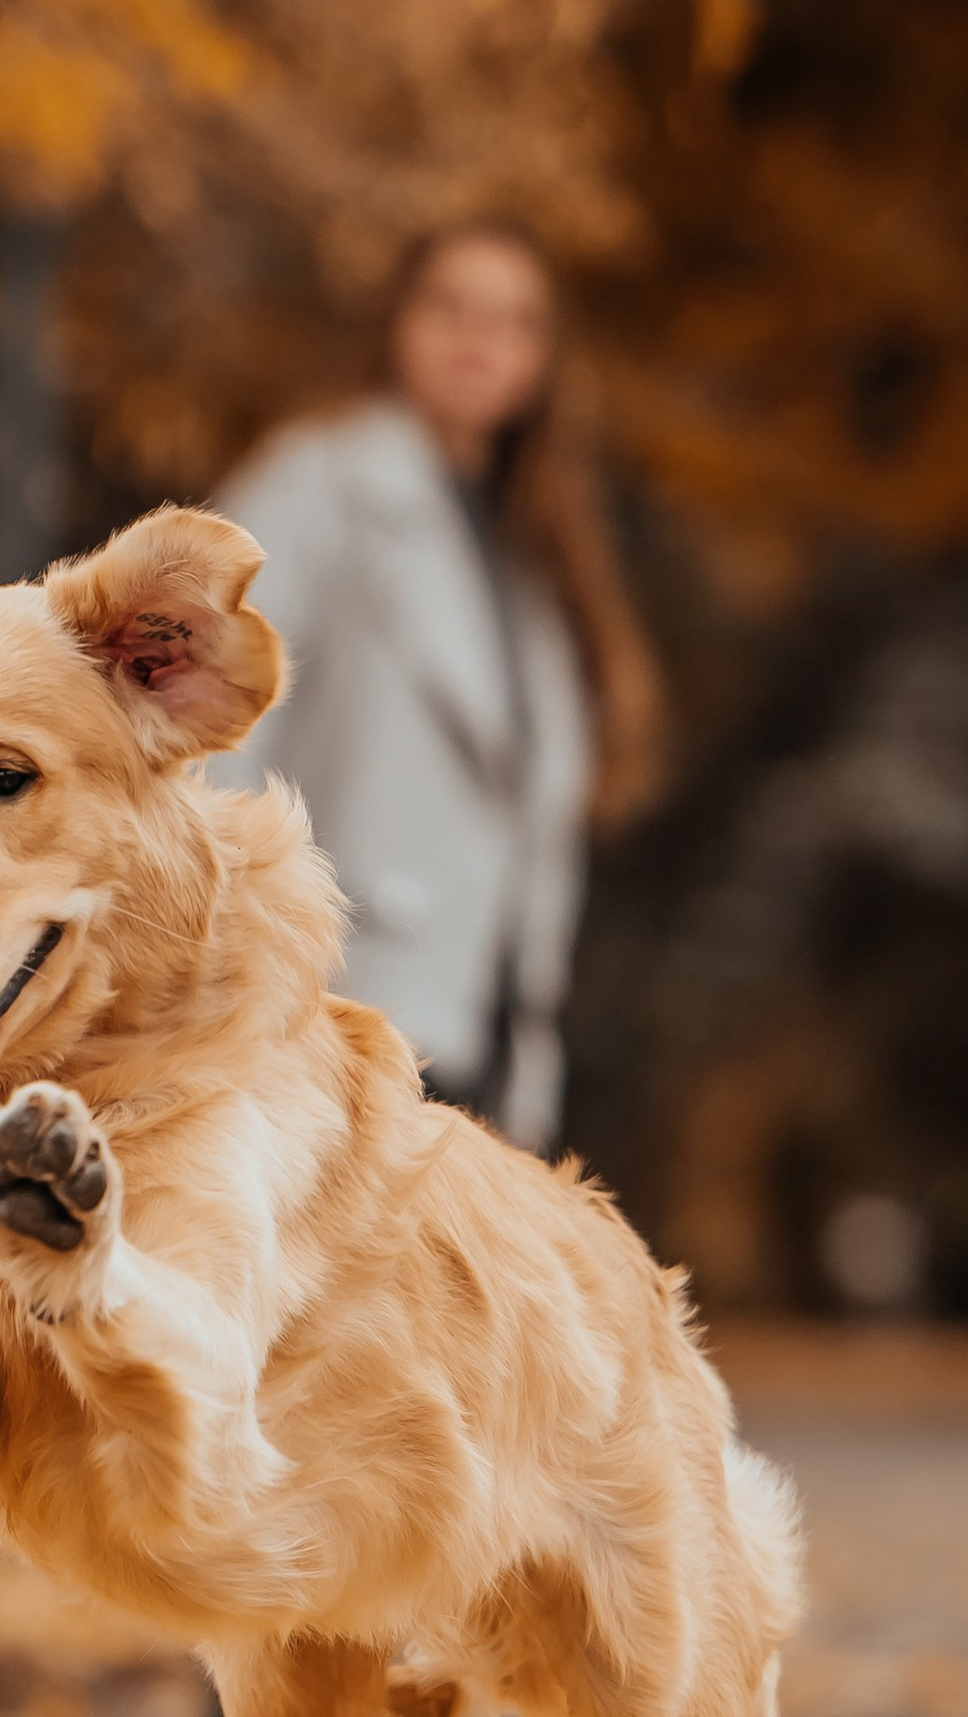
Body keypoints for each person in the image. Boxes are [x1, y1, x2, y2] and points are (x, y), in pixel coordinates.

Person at [207, 223, 666, 1151]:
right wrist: (233, 951)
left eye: (515, 320)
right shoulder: (320, 484)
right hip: (334, 992)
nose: (480, 339)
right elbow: (206, 715)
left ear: (543, 358)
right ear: (396, 326)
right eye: (451, 307)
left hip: (483, 1010)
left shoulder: (533, 553)